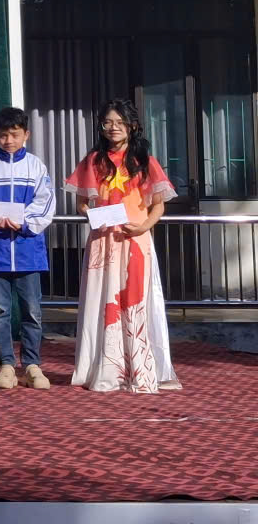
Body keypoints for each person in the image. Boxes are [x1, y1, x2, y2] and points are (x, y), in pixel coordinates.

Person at [66, 99, 180, 393]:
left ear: (132, 126)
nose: (113, 128)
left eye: (119, 122)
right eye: (107, 122)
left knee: (135, 300)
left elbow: (158, 205)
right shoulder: (93, 161)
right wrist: (93, 215)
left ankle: (140, 369)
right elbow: (81, 204)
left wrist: (144, 226)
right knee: (103, 300)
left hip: (135, 240)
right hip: (103, 242)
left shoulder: (145, 161)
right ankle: (107, 369)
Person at [0, 106, 56, 390]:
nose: (9, 140)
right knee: (1, 312)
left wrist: (23, 222)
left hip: (28, 251)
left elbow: (45, 202)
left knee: (32, 312)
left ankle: (32, 365)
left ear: (26, 135)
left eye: (15, 134)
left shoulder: (36, 166)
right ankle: (6, 365)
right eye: (3, 135)